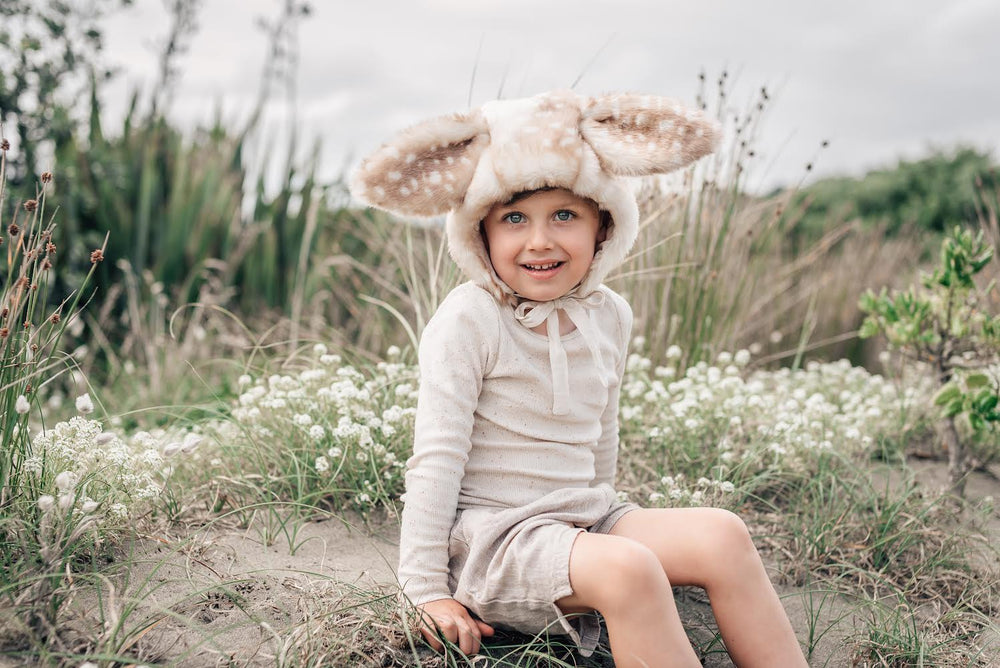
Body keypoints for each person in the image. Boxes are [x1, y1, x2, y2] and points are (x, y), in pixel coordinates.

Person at [351, 90, 807, 667]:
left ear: (604, 227)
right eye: (514, 218)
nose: (539, 240)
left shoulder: (609, 313)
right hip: (497, 543)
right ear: (480, 233)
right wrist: (424, 591)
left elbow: (601, 434)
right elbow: (435, 459)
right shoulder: (471, 317)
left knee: (724, 534)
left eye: (564, 215)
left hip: (582, 519)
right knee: (632, 569)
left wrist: (597, 531)